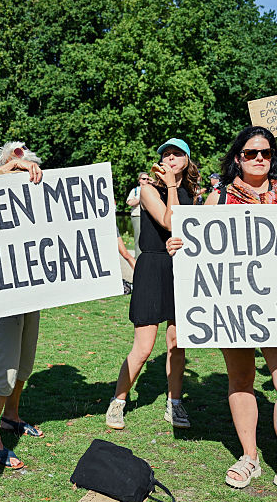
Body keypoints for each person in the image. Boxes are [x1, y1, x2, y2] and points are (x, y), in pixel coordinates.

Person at [170, 126, 277, 501]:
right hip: (235, 306)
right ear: (237, 156)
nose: (259, 158)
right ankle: (249, 456)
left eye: (266, 153)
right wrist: (180, 245)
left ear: (274, 156)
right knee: (241, 380)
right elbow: (194, 242)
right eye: (251, 152)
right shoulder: (217, 197)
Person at [106, 138, 197, 431]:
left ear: (187, 159)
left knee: (176, 343)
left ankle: (175, 402)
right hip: (153, 267)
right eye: (165, 155)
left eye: (176, 154)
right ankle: (118, 401)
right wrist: (170, 185)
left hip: (180, 268)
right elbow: (170, 222)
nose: (170, 158)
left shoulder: (191, 192)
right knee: (144, 347)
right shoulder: (148, 189)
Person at [0, 141, 44, 470]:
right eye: (14, 161)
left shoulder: (36, 195)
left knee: (24, 363)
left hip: (30, 291)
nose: (23, 165)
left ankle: (11, 417)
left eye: (26, 162)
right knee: (3, 366)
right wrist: (7, 170)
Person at [126, 172, 150, 257]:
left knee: (149, 238)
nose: (146, 181)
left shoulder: (152, 189)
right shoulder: (135, 190)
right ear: (139, 180)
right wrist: (141, 197)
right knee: (138, 238)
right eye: (144, 179)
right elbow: (130, 202)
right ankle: (138, 259)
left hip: (149, 217)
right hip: (137, 216)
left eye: (148, 179)